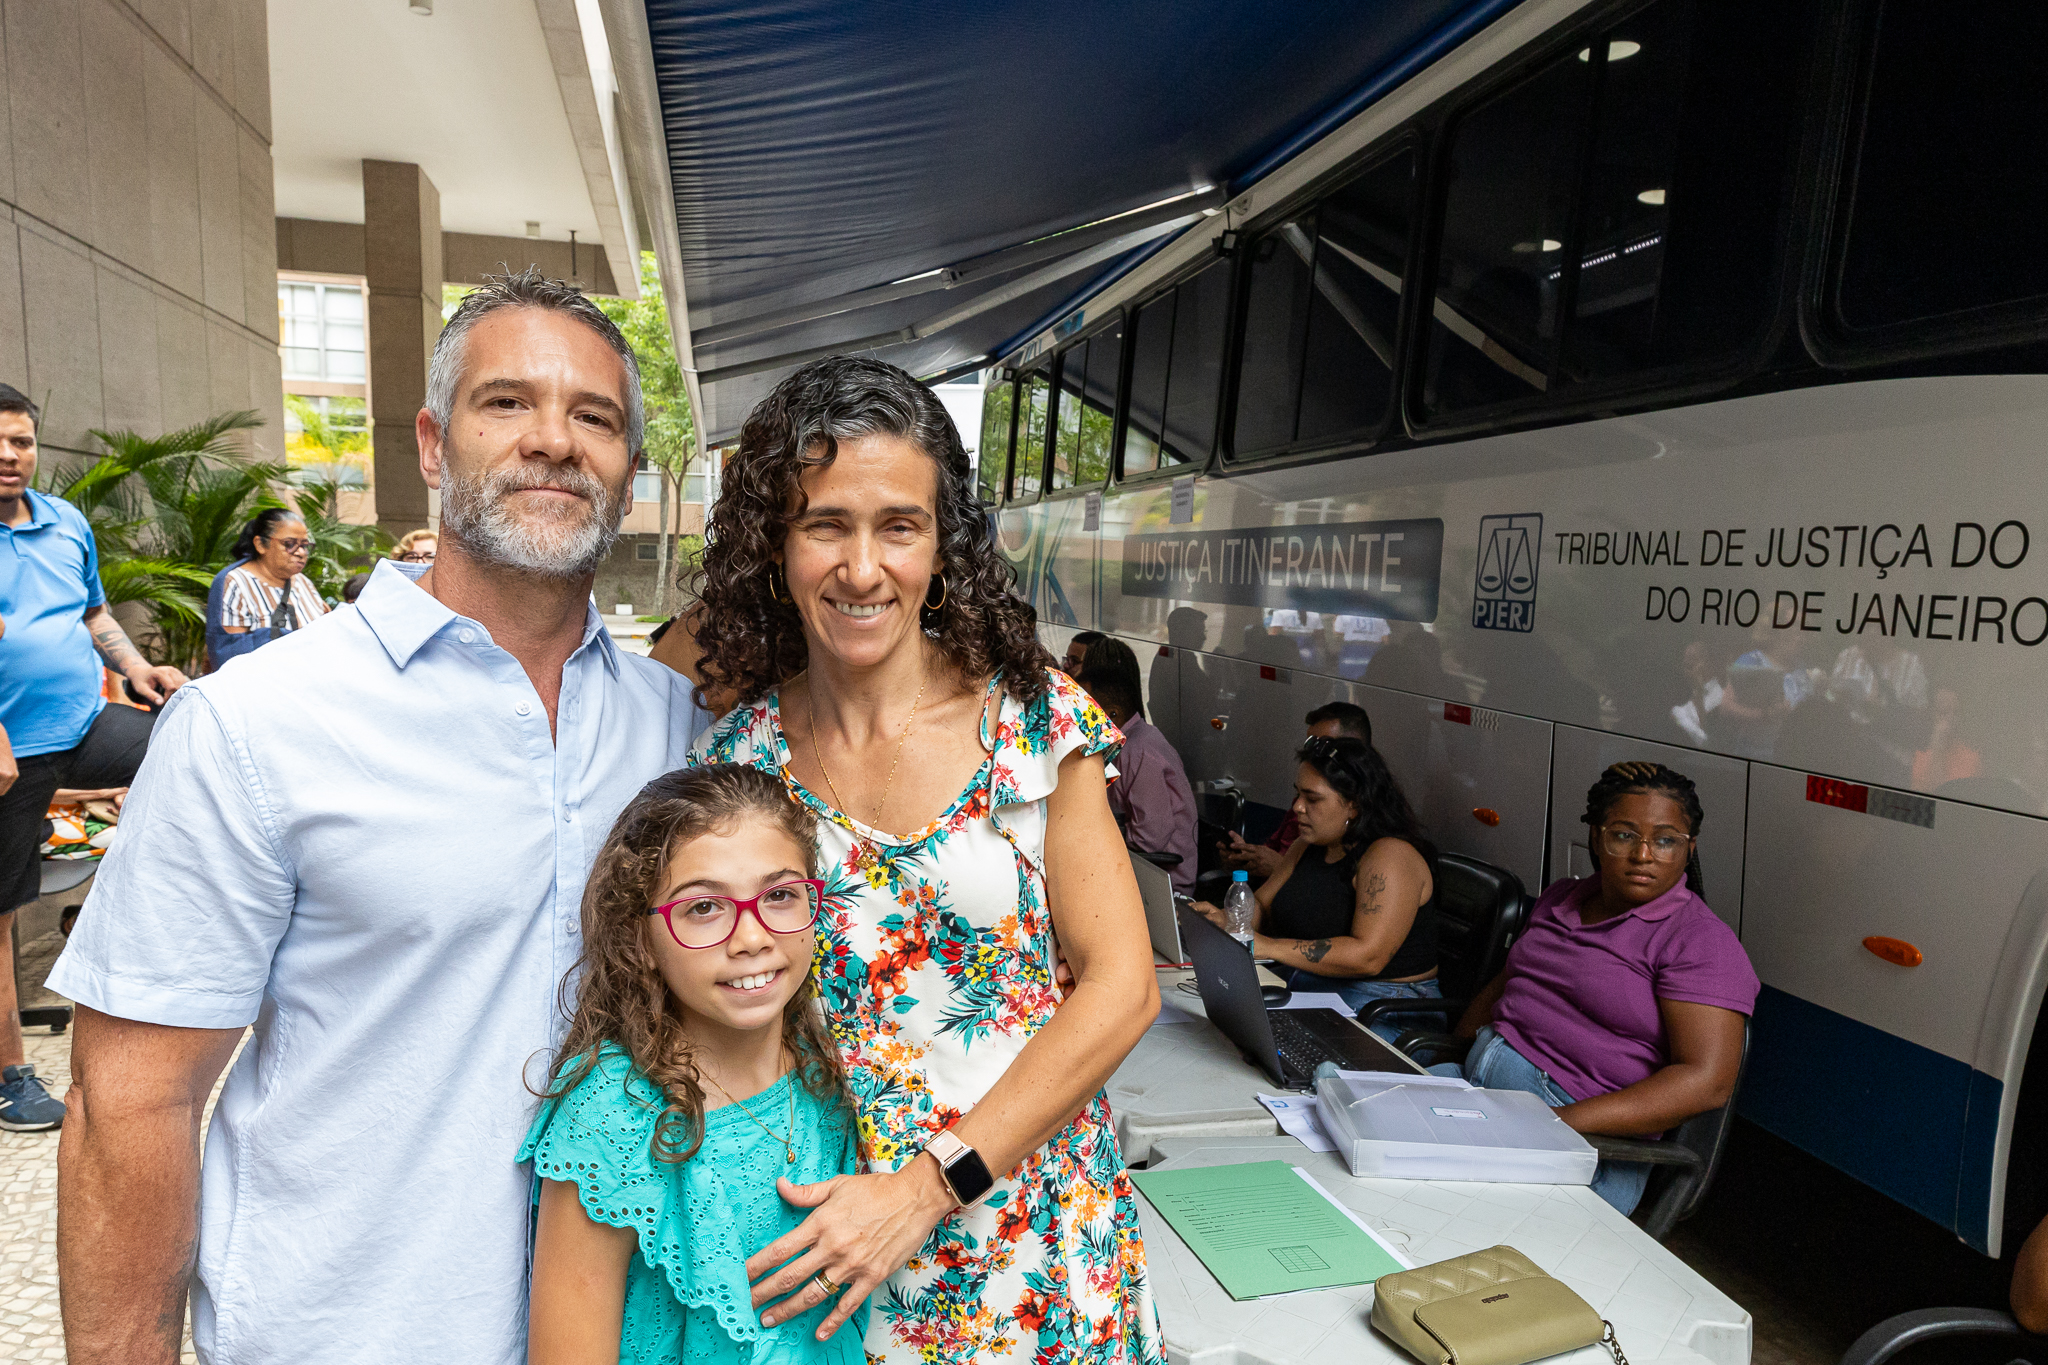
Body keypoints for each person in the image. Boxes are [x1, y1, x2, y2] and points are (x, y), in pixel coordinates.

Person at [51, 268, 712, 1365]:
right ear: (430, 444)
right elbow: (130, 1108)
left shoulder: (676, 732)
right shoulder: (253, 726)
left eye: (593, 416)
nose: (553, 439)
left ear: (630, 471)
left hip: (620, 1337)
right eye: (506, 403)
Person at [688, 355, 1162, 1363]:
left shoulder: (1033, 720)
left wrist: (924, 1189)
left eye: (897, 526)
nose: (862, 569)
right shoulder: (740, 762)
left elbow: (1121, 989)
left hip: (1035, 1254)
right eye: (825, 524)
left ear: (942, 547)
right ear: (772, 546)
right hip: (836, 1266)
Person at [524, 765, 866, 1365]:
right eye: (704, 908)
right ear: (639, 942)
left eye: (780, 895)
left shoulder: (830, 1070)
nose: (751, 937)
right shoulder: (611, 1115)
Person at [1441, 761, 1758, 1215]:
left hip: (1579, 1141)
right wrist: (1455, 1050)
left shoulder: (1700, 942)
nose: (1644, 854)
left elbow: (1705, 1083)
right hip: (1479, 1099)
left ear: (1689, 849)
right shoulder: (1563, 896)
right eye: (1624, 834)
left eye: (1666, 840)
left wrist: (1552, 1125)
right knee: (1335, 1134)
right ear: (1596, 836)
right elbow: (1513, 979)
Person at [0, 382, 185, 1132]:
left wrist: (137, 669)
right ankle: (10, 1074)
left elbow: (93, 611)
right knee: (1, 913)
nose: (9, 456)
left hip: (79, 724)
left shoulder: (62, 522)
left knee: (191, 750)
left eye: (20, 441)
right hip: (9, 752)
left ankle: (132, 938)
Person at [1196, 735, 1441, 1038]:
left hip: (1384, 1007)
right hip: (1313, 987)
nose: (1298, 807)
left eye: (1313, 799)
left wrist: (1268, 945)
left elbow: (1367, 956)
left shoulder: (1390, 856)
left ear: (1354, 805)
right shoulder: (1306, 845)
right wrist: (1229, 922)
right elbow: (1261, 904)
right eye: (1298, 795)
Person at [1077, 637, 1197, 893]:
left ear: (1111, 715)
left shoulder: (1141, 751)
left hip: (1162, 883)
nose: (1076, 716)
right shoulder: (1120, 744)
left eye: (1083, 709)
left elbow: (1151, 838)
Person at [1222, 700, 1372, 881]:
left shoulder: (1377, 853)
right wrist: (1247, 860)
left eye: (1323, 747)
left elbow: (1328, 891)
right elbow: (1263, 898)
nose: (1299, 807)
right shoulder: (1303, 836)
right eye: (1309, 744)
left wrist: (1280, 867)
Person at [216, 508, 329, 647]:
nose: (301, 553)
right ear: (260, 544)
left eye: (305, 546)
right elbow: (232, 651)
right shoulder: (236, 583)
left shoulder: (303, 582)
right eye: (290, 544)